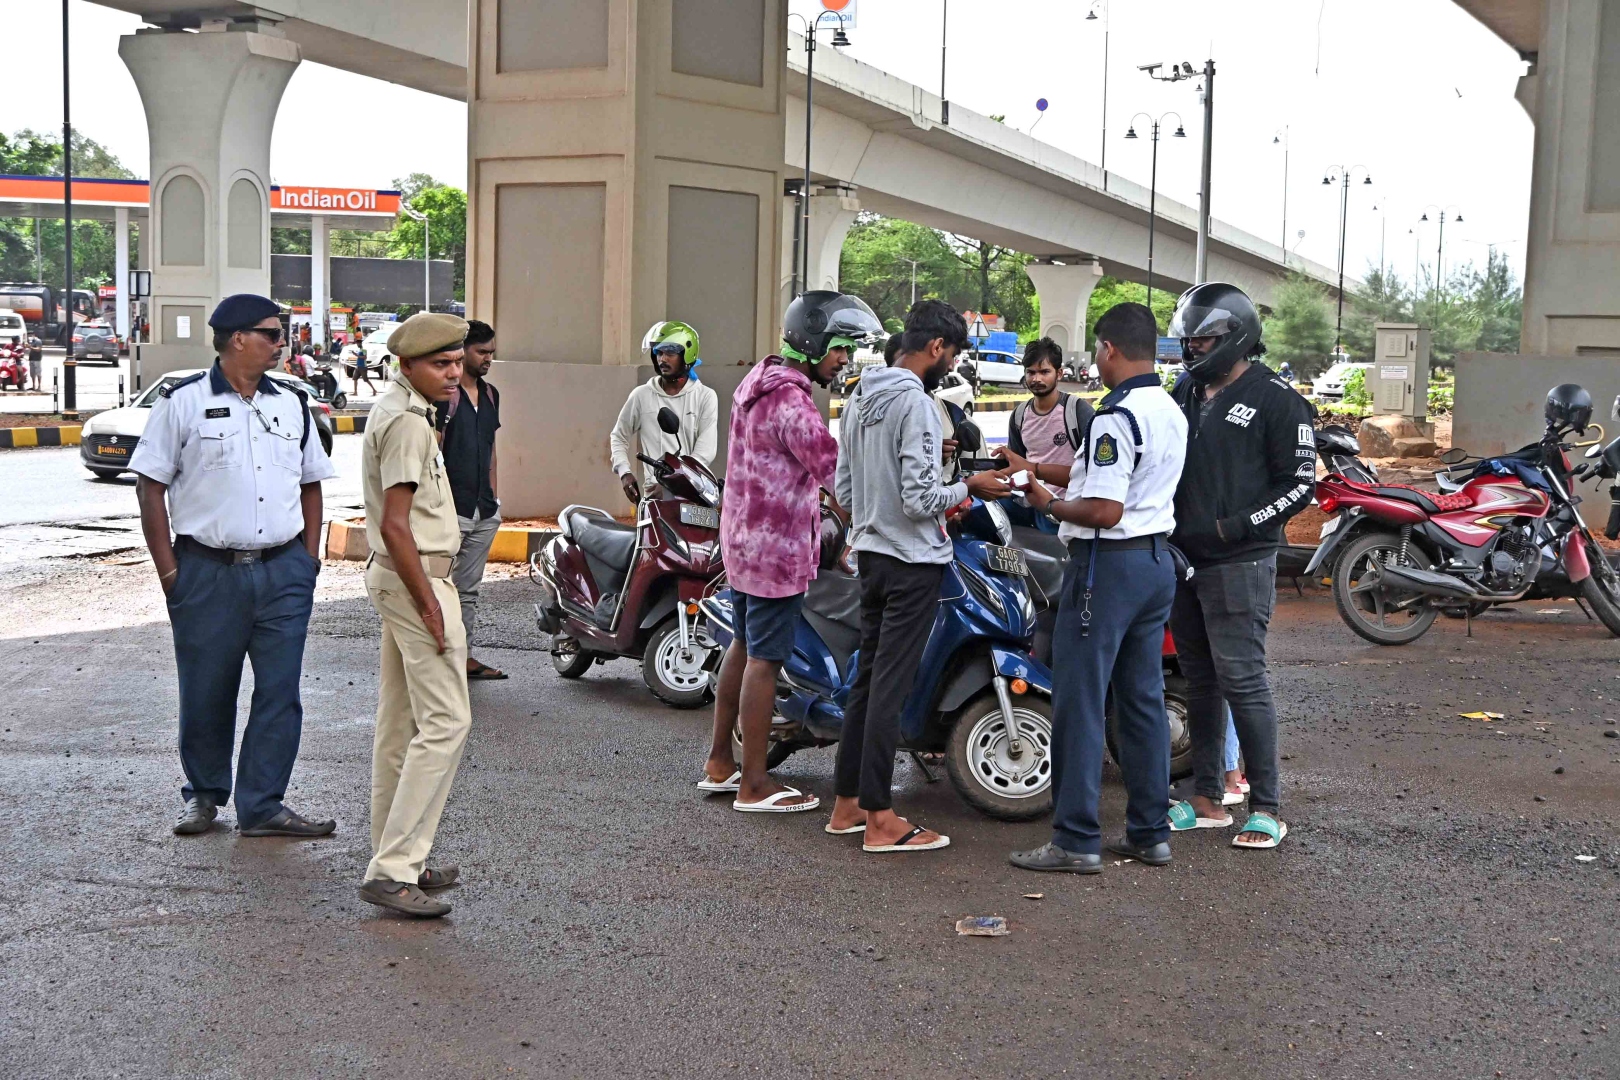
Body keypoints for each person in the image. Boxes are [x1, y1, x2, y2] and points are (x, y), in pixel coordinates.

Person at [128, 293, 337, 838]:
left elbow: (311, 482)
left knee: (280, 690)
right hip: (206, 571)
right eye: (271, 333)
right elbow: (151, 489)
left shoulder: (291, 403)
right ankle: (204, 794)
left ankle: (263, 804)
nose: (281, 344)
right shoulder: (181, 402)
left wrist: (308, 559)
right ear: (237, 338)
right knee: (207, 688)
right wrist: (171, 573)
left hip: (283, 571)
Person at [1006, 303, 1187, 873]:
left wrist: (1046, 502)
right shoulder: (1168, 409)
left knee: (1080, 703)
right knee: (1141, 701)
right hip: (1155, 563)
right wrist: (1038, 472)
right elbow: (1113, 482)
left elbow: (1104, 508)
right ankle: (1149, 832)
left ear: (1109, 349)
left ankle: (1076, 839)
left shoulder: (1114, 418)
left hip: (1106, 567)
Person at [829, 299, 1010, 853]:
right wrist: (971, 488)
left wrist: (871, 525)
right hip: (912, 564)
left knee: (867, 682)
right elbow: (921, 499)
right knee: (890, 687)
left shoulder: (861, 393)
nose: (949, 367)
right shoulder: (918, 405)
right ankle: (881, 819)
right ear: (936, 348)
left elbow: (845, 488)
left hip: (873, 559)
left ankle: (847, 806)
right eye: (951, 356)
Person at [699, 291, 870, 812]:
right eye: (840, 349)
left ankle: (720, 762)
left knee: (745, 648)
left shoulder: (757, 383)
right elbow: (837, 473)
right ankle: (754, 783)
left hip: (743, 540)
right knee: (766, 661)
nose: (844, 360)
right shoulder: (793, 403)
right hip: (776, 550)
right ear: (814, 342)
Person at [1164, 282, 1316, 850]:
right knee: (1200, 681)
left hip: (1240, 563)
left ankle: (1267, 807)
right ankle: (1205, 799)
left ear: (1237, 337)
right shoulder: (1183, 391)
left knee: (1243, 680)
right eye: (1189, 342)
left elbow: (1298, 483)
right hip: (1183, 562)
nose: (1194, 351)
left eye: (1204, 342)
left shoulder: (1278, 400)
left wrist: (1237, 526)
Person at [357, 312, 473, 918]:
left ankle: (398, 855)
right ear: (407, 366)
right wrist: (431, 607)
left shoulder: (407, 409)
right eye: (440, 364)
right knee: (448, 722)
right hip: (416, 579)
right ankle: (395, 867)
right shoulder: (407, 423)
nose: (453, 374)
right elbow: (396, 525)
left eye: (457, 362)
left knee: (400, 726)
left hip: (401, 577)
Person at [444, 319, 506, 682]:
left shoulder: (493, 394)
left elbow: (492, 450)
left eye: (491, 354)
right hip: (450, 509)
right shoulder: (447, 395)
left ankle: (464, 659)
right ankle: (439, 660)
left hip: (483, 510)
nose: (487, 360)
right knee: (440, 588)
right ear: (463, 350)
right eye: (481, 352)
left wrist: (495, 500)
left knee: (468, 591)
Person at [991, 336, 1094, 534]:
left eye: (1044, 372)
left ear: (1059, 373)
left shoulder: (1077, 411)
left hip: (1065, 511)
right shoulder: (1020, 415)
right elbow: (1018, 464)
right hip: (1027, 505)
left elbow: (1094, 472)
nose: (1036, 379)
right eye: (1031, 372)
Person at [609, 321, 718, 504]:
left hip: (692, 495)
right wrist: (624, 472)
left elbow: (705, 451)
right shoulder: (641, 395)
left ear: (686, 354)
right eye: (658, 353)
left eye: (670, 353)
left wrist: (673, 483)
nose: (662, 359)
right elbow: (618, 436)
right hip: (653, 497)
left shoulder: (705, 396)